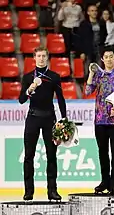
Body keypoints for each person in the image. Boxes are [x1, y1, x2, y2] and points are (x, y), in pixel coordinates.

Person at [19, 46, 67, 201]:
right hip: (32, 118)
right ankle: (28, 191)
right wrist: (29, 90)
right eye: (38, 56)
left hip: (49, 119)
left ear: (47, 58)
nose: (41, 58)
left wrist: (64, 119)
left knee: (51, 155)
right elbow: (21, 100)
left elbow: (60, 99)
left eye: (43, 56)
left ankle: (52, 191)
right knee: (29, 156)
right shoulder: (27, 77)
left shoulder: (54, 76)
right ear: (34, 57)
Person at [85, 46, 114, 195]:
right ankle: (105, 181)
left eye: (111, 56)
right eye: (106, 57)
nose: (109, 59)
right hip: (100, 120)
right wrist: (91, 74)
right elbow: (87, 91)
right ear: (102, 59)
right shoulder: (98, 76)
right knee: (102, 153)